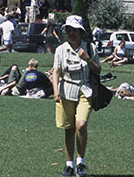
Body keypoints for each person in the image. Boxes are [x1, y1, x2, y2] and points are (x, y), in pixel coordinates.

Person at [52, 15, 101, 177]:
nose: (71, 33)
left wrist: (87, 59)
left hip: (85, 90)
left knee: (80, 125)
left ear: (81, 32)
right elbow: (56, 71)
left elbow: (98, 70)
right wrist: (55, 91)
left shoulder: (90, 48)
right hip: (66, 91)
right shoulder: (61, 49)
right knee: (69, 129)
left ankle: (81, 162)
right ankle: (68, 165)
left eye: (75, 30)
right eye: (69, 30)